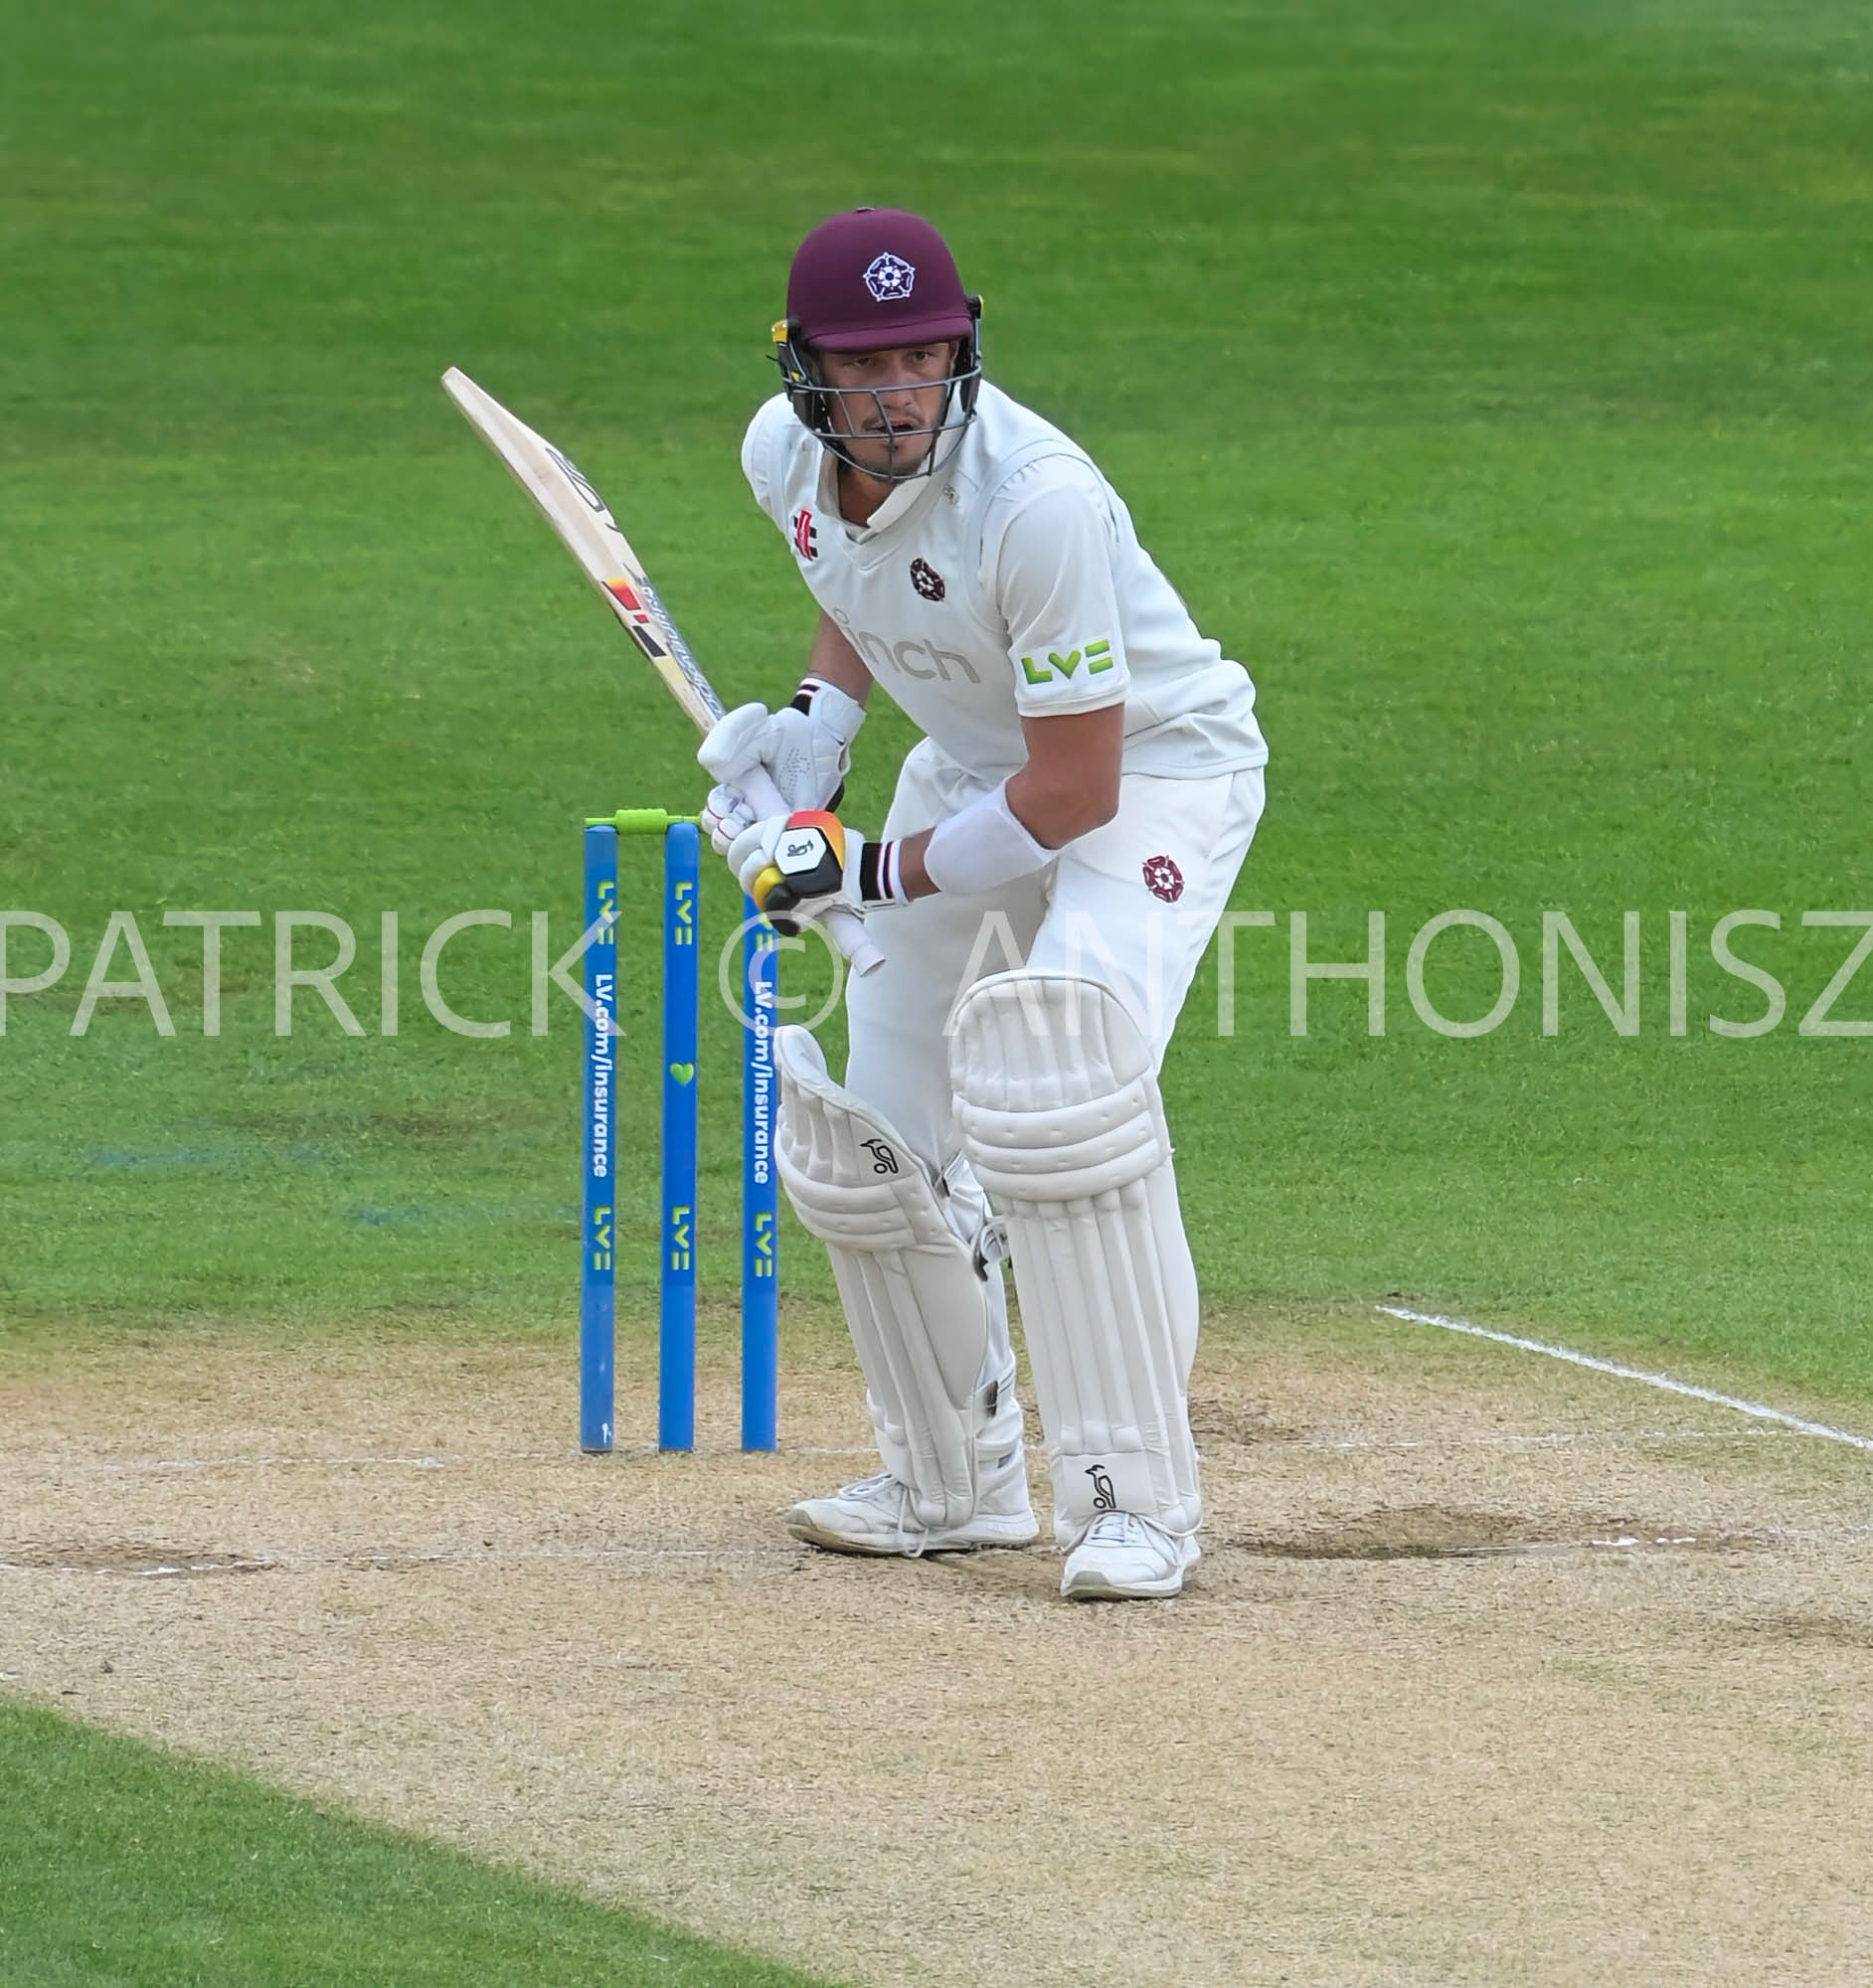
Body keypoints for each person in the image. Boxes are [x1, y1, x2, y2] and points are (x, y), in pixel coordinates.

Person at [698, 207, 1268, 1600]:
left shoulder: (1039, 501)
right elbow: (862, 591)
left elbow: (1073, 794)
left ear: (964, 346)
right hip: (970, 763)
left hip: (1147, 775)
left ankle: (1136, 1502)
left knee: (1059, 1082)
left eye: (925, 356)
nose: (899, 391)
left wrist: (858, 865)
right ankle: (950, 1484)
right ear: (805, 375)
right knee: (874, 1133)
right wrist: (814, 740)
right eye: (866, 364)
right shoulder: (782, 456)